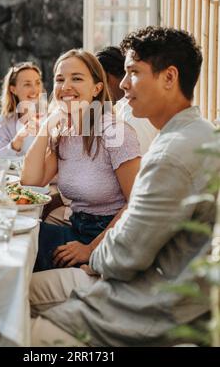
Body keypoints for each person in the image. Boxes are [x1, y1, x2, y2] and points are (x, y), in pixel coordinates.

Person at [29, 27, 218, 347]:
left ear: (169, 77)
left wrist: (91, 255)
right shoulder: (191, 135)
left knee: (7, 327)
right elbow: (32, 180)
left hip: (149, 304)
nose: (124, 84)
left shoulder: (170, 153)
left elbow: (126, 255)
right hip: (157, 283)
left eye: (133, 72)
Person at [21, 49, 141, 271]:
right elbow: (30, 181)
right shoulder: (65, 132)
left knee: (26, 256)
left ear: (97, 88)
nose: (65, 86)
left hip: (109, 238)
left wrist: (91, 249)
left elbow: (137, 204)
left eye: (76, 78)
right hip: (78, 229)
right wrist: (46, 127)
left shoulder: (115, 133)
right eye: (60, 79)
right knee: (18, 239)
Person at [96, 46, 157, 155]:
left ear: (106, 77)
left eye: (96, 83)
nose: (95, 91)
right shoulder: (121, 109)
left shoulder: (132, 114)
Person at [0, 62, 44, 158]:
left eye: (37, 83)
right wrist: (18, 139)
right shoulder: (3, 122)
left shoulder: (51, 117)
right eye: (27, 84)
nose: (35, 90)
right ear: (13, 89)